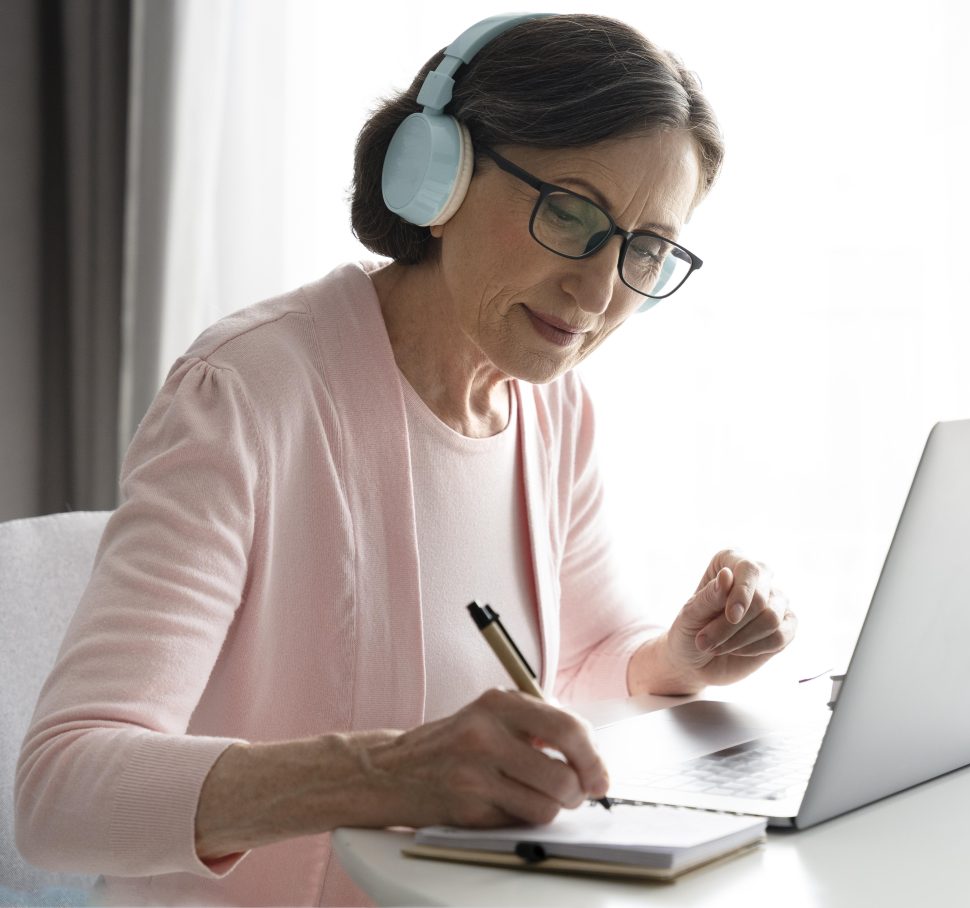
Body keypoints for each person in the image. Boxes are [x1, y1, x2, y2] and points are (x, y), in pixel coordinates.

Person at [15, 13, 796, 907]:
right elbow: (60, 794)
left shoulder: (552, 405)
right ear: (440, 173)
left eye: (646, 248)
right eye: (573, 212)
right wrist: (381, 773)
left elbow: (581, 660)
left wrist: (680, 659)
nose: (599, 290)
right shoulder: (247, 390)